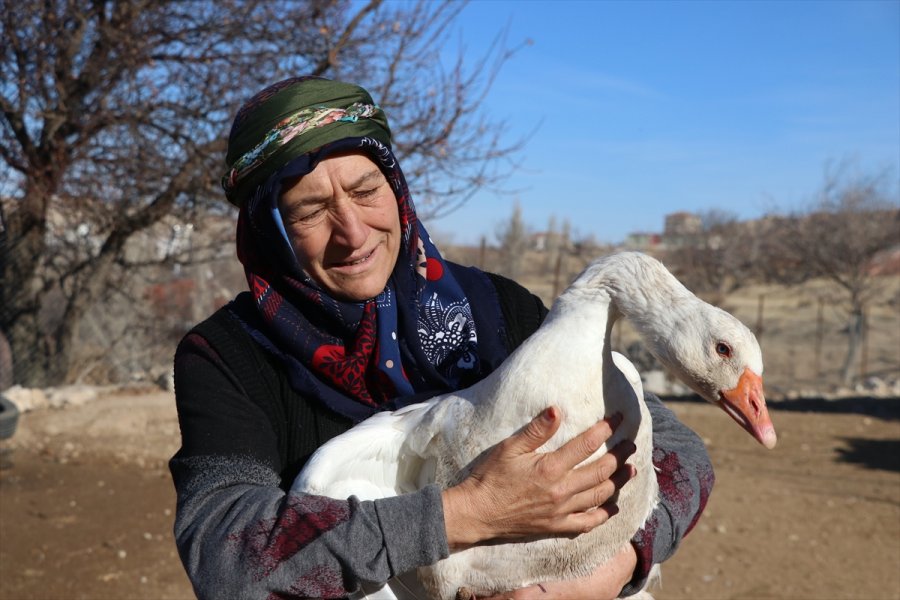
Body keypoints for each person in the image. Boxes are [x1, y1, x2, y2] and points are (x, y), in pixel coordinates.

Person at [170, 76, 714, 600]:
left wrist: (616, 566)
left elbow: (679, 450)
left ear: (397, 188)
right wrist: (468, 512)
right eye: (310, 210)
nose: (354, 233)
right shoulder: (227, 356)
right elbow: (226, 558)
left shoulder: (499, 309)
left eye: (366, 191)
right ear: (269, 229)